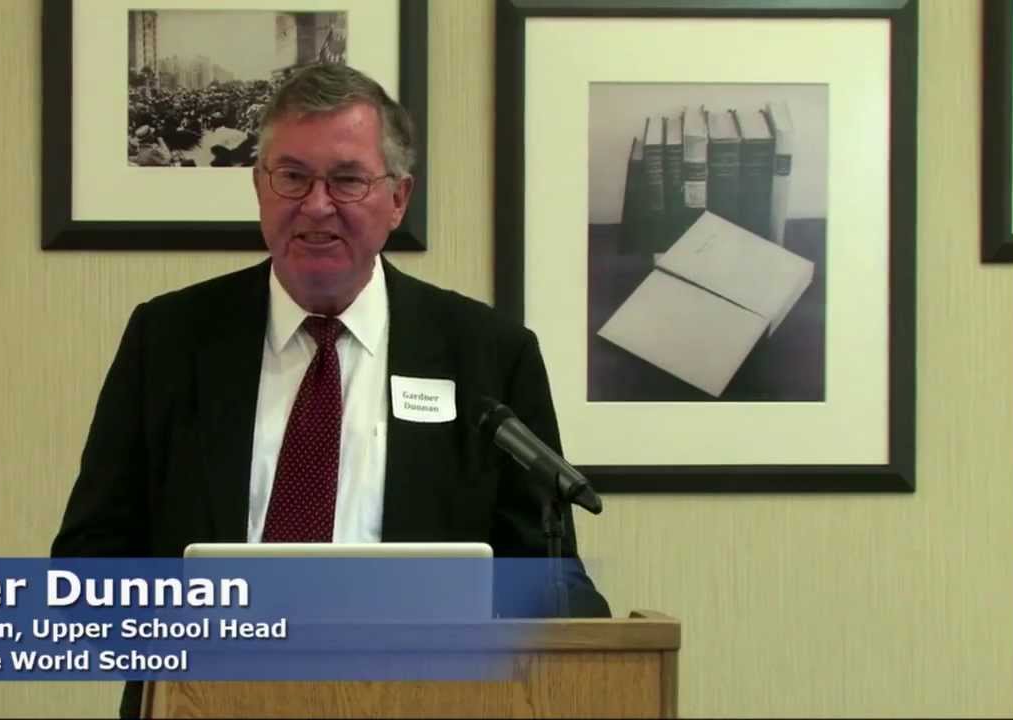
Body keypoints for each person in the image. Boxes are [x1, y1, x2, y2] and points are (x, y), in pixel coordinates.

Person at [52, 63, 610, 716]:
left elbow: (545, 577)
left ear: (398, 198)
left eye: (347, 180)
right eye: (292, 177)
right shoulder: (170, 340)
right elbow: (88, 567)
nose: (316, 206)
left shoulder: (486, 355)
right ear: (260, 187)